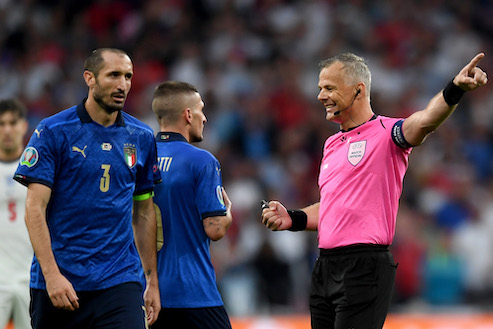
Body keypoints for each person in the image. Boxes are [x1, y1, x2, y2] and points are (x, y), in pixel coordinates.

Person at [261, 52, 487, 329]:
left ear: (359, 90)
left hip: (365, 266)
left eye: (329, 88)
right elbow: (333, 207)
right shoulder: (332, 144)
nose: (321, 96)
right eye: (320, 88)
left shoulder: (388, 133)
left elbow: (426, 120)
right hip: (325, 267)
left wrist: (456, 88)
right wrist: (293, 218)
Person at [13, 48, 162, 329]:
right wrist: (52, 275)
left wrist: (151, 281)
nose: (123, 85)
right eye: (114, 75)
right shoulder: (53, 131)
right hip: (60, 282)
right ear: (89, 78)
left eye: (128, 76)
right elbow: (34, 208)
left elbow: (144, 212)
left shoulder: (141, 136)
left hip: (119, 280)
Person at [150, 81, 233, 329]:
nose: (204, 118)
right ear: (188, 114)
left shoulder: (139, 158)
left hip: (147, 293)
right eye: (201, 110)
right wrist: (228, 213)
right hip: (192, 292)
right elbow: (215, 228)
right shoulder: (202, 161)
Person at [0, 99, 31, 329]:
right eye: (1, 124)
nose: (7, 130)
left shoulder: (40, 171)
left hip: (31, 279)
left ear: (24, 126)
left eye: (12, 123)